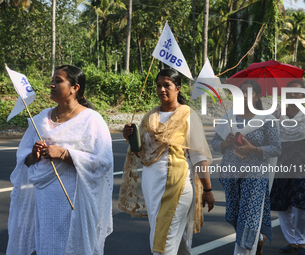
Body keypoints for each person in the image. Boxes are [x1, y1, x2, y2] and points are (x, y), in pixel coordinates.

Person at [6, 65, 114, 255]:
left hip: (74, 199)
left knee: (72, 246)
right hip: (45, 198)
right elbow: (25, 159)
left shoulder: (92, 120)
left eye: (58, 81)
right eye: (52, 80)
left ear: (75, 88)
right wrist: (34, 154)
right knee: (47, 243)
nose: (52, 85)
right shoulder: (40, 119)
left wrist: (64, 154)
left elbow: (102, 161)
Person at [119, 68, 215, 255]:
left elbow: (198, 157)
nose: (162, 89)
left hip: (177, 185)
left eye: (167, 85)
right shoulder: (150, 117)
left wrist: (208, 190)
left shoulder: (188, 115)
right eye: (158, 86)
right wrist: (129, 136)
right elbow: (142, 153)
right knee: (168, 238)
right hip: (151, 184)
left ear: (178, 88)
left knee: (162, 243)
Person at [212, 80, 281, 255]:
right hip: (231, 173)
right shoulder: (228, 117)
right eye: (241, 92)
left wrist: (254, 149)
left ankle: (244, 250)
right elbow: (214, 143)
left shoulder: (267, 120)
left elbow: (276, 148)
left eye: (249, 93)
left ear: (257, 97)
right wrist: (225, 143)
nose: (243, 96)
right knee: (235, 215)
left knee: (249, 216)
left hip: (255, 173)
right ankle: (256, 240)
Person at [270, 80, 305, 255]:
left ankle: (302, 242)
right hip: (280, 166)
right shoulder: (275, 116)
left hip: (304, 166)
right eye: (289, 93)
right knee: (283, 206)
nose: (292, 96)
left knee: (300, 204)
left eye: (297, 93)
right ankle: (292, 241)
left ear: (303, 96)